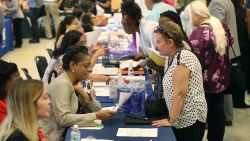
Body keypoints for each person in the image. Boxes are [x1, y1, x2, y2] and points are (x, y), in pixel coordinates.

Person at [39, 45, 116, 141]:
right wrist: (95, 116)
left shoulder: (74, 79)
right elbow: (64, 119)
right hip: (54, 136)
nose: (89, 69)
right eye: (85, 66)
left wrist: (82, 92)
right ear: (72, 65)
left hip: (66, 131)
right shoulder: (62, 84)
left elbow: (97, 109)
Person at [152, 21, 207, 141]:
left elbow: (179, 94)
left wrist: (170, 120)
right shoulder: (170, 58)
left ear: (170, 42)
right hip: (179, 117)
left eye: (158, 42)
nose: (157, 46)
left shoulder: (183, 58)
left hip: (190, 119)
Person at [186, 1, 233, 140]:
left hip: (204, 83)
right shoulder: (220, 25)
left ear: (196, 15)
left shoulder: (198, 33)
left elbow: (193, 60)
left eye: (190, 16)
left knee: (200, 116)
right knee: (217, 112)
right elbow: (231, 41)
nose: (190, 19)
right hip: (222, 79)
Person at [208, 0, 240, 126]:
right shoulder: (227, 1)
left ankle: (224, 117)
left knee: (221, 87)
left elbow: (216, 27)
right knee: (226, 86)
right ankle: (228, 116)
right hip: (229, 49)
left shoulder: (216, 2)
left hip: (221, 51)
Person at [231, 0, 250, 107]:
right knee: (242, 72)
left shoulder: (231, 11)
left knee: (235, 71)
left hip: (234, 45)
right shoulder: (245, 11)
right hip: (244, 45)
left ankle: (235, 99)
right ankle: (239, 100)